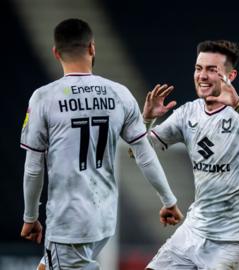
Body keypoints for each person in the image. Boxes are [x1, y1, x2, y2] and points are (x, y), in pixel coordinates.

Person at [19, 18, 183, 270]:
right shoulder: (119, 93)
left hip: (69, 222)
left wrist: (30, 216)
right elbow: (144, 154)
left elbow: (33, 168)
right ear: (92, 48)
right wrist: (168, 200)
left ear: (55, 52)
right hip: (103, 219)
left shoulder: (44, 97)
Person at [141, 40, 239, 269]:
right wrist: (147, 119)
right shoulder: (187, 113)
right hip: (193, 231)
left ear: (231, 76)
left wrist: (238, 105)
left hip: (234, 239)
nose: (202, 76)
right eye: (198, 68)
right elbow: (139, 151)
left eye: (212, 70)